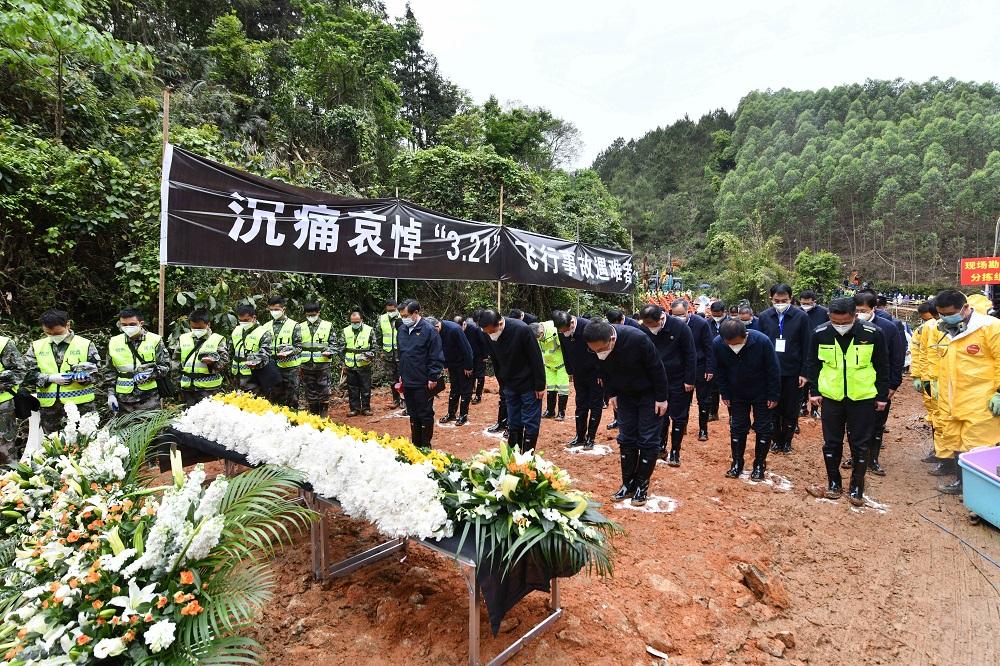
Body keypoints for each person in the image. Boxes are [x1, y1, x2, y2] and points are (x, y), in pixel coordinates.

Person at [806, 298, 890, 505]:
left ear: (854, 316)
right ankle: (834, 483)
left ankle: (857, 487)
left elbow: (882, 366)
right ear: (829, 317)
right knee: (831, 443)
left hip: (862, 398)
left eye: (845, 322)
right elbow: (813, 364)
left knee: (860, 443)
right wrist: (814, 391)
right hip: (832, 398)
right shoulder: (820, 333)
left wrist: (881, 397)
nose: (840, 326)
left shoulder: (872, 333)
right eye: (836, 322)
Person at [583, 320, 668, 506]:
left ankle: (641, 486)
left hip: (649, 394)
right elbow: (602, 370)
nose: (599, 353)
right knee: (626, 437)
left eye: (601, 349)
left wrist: (662, 398)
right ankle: (627, 484)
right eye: (594, 351)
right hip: (624, 394)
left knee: (647, 438)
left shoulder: (638, 339)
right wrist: (611, 393)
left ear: (612, 339)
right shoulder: (595, 346)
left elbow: (657, 368)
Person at [930, 289, 1000, 495]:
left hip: (980, 398)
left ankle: (982, 492)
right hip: (950, 397)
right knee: (956, 441)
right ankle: (961, 484)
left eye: (949, 313)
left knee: (978, 445)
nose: (944, 317)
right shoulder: (943, 329)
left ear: (966, 308)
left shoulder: (990, 328)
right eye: (941, 313)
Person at [841, 292, 903, 475]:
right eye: (857, 310)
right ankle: (855, 456)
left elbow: (896, 358)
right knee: (853, 424)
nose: (860, 314)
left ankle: (873, 459)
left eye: (863, 310)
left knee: (877, 424)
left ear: (873, 308)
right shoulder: (847, 326)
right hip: (853, 385)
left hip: (879, 385)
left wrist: (892, 385)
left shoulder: (888, 328)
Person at [712, 320, 780, 481]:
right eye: (729, 344)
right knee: (737, 427)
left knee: (764, 427)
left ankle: (759, 464)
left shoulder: (762, 341)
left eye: (736, 343)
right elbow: (719, 370)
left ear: (745, 336)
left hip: (762, 392)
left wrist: (773, 394)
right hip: (736, 393)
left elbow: (773, 369)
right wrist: (725, 393)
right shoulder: (718, 344)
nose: (733, 347)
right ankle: (737, 463)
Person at [477, 309, 545, 451]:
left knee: (530, 421)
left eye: (491, 331)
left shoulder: (521, 330)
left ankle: (527, 457)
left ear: (500, 323)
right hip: (509, 384)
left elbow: (536, 358)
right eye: (487, 332)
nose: (490, 335)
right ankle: (514, 456)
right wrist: (502, 383)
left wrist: (540, 385)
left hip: (529, 384)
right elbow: (495, 360)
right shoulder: (488, 334)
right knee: (514, 420)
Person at [25, 309, 101, 434]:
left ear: (68, 325)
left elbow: (98, 373)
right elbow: (26, 374)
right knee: (54, 447)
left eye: (58, 332)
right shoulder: (36, 346)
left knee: (85, 445)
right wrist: (49, 378)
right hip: (50, 409)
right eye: (49, 333)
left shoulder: (85, 344)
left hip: (81, 406)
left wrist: (85, 378)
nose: (54, 336)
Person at [756, 284, 811, 455]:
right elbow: (759, 344)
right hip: (770, 371)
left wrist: (804, 372)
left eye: (784, 300)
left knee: (791, 408)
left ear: (791, 298)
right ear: (771, 299)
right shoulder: (764, 317)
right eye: (776, 300)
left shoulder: (801, 317)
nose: (780, 303)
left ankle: (787, 440)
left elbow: (807, 345)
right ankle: (775, 439)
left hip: (793, 371)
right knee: (772, 406)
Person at [639, 304, 696, 466]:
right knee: (660, 414)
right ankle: (661, 447)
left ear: (662, 317)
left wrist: (689, 379)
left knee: (678, 416)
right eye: (647, 324)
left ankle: (675, 451)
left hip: (678, 379)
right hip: (656, 380)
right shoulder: (643, 329)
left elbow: (690, 354)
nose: (650, 328)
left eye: (653, 324)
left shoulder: (680, 328)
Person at [104, 308, 170, 415]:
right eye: (124, 325)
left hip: (149, 398)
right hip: (123, 400)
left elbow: (165, 366)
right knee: (125, 431)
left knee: (151, 430)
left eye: (132, 324)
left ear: (141, 323)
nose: (128, 327)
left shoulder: (155, 340)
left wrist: (149, 374)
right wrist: (110, 395)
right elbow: (109, 372)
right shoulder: (114, 342)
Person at [397, 300, 444, 446]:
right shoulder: (402, 330)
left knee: (424, 413)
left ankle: (425, 444)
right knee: (412, 412)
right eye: (401, 315)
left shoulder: (429, 331)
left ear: (416, 313)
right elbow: (401, 353)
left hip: (423, 380)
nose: (403, 318)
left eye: (405, 315)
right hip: (407, 379)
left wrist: (433, 376)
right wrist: (401, 374)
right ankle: (415, 443)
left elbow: (435, 355)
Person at [554, 310, 603, 449]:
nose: (564, 333)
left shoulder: (588, 327)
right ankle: (580, 436)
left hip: (595, 373)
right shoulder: (562, 331)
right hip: (578, 373)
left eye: (565, 330)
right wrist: (570, 371)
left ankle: (591, 438)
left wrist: (601, 373)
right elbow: (564, 351)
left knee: (595, 404)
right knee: (580, 404)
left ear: (571, 323)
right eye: (561, 331)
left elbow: (600, 350)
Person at [672, 299, 714, 441]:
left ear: (688, 311)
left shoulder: (701, 323)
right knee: (683, 399)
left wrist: (709, 368)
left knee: (703, 399)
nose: (678, 318)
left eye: (681, 314)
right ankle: (682, 425)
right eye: (675, 315)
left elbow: (709, 347)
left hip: (700, 365)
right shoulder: (671, 324)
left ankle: (703, 429)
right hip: (681, 368)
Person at [175, 310, 229, 407]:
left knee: (208, 418)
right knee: (187, 418)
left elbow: (225, 361)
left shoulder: (217, 339)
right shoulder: (183, 338)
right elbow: (176, 362)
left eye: (200, 328)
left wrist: (213, 363)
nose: (196, 330)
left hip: (209, 390)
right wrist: (177, 383)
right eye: (193, 327)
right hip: (187, 389)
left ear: (208, 324)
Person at [910, 301, 941, 462]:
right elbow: (920, 353)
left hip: (943, 381)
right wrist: (918, 376)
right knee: (936, 416)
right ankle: (941, 453)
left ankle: (945, 456)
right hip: (930, 379)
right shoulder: (926, 329)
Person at [261, 296, 302, 408]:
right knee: (274, 396)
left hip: (290, 368)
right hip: (272, 367)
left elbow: (299, 346)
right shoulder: (266, 326)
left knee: (292, 397)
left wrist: (289, 352)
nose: (274, 312)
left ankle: (293, 421)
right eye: (272, 309)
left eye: (277, 309)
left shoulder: (294, 325)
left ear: (283, 309)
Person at [432, 317, 474, 426]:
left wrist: (468, 366)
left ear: (437, 326)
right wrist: (445, 364)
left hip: (463, 363)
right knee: (454, 388)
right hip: (451, 363)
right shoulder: (436, 332)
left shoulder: (454, 329)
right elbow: (442, 348)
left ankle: (463, 415)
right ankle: (451, 414)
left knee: (465, 389)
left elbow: (467, 349)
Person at [299, 302, 336, 416]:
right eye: (308, 315)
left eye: (313, 314)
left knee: (324, 389)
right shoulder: (300, 327)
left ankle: (323, 413)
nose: (311, 317)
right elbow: (297, 345)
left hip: (322, 364)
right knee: (310, 390)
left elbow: (334, 344)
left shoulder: (328, 326)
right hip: (306, 364)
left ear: (319, 313)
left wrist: (330, 351)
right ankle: (314, 414)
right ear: (305, 314)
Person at [338, 309, 376, 416]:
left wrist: (369, 356)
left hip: (364, 364)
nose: (355, 324)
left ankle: (366, 408)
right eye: (353, 322)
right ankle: (354, 408)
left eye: (357, 322)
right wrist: (343, 362)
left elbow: (374, 348)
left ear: (361, 320)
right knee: (352, 388)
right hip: (350, 364)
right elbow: (341, 349)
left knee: (365, 387)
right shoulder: (345, 331)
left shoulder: (369, 330)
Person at [798, 290, 828, 418]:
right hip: (801, 350)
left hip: (820, 350)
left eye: (808, 303)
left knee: (816, 379)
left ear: (814, 302)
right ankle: (802, 406)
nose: (805, 305)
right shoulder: (797, 312)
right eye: (803, 303)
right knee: (802, 379)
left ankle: (815, 408)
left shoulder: (823, 313)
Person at [230, 304, 272, 395]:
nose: (243, 323)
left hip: (254, 377)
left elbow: (266, 355)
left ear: (254, 317)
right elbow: (232, 351)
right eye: (240, 320)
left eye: (246, 320)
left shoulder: (263, 333)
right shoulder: (236, 330)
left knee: (253, 404)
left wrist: (255, 362)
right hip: (237, 375)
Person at [534, 320, 570, 421]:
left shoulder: (555, 331)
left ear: (541, 333)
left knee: (562, 387)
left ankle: (561, 412)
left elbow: (565, 346)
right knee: (551, 387)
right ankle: (550, 410)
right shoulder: (536, 333)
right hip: (549, 364)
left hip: (561, 364)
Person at [0, 333, 26, 462]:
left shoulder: (3, 343)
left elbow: (18, 372)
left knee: (4, 452)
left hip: (1, 405)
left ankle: (7, 480)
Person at [377, 299, 402, 408]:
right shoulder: (382, 319)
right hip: (388, 354)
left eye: (393, 310)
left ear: (396, 308)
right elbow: (378, 336)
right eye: (389, 310)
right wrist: (381, 350)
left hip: (401, 354)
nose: (391, 312)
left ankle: (404, 401)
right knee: (392, 379)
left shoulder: (403, 317)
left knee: (402, 378)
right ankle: (395, 400)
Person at [706, 301, 728, 422]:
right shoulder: (707, 323)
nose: (716, 316)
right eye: (714, 314)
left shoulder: (731, 323)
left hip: (727, 358)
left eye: (718, 314)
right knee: (713, 389)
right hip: (713, 358)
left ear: (724, 312)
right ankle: (713, 412)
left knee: (730, 387)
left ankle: (732, 415)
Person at [461, 313, 490, 405]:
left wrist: (485, 356)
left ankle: (478, 395)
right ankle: (469, 394)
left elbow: (483, 343)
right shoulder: (460, 330)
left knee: (480, 376)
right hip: (469, 356)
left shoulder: (476, 329)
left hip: (479, 355)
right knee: (470, 374)